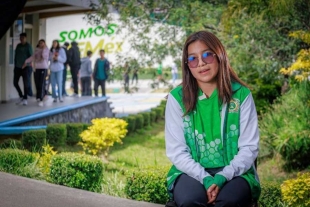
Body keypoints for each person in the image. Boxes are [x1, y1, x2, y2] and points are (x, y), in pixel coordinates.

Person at [165, 31, 261, 207]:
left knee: (228, 202)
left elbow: (249, 147)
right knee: (190, 201)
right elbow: (176, 150)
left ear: (219, 55)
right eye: (193, 59)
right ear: (187, 65)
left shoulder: (241, 95)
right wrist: (205, 178)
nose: (201, 63)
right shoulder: (176, 98)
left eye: (207, 55)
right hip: (189, 172)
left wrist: (222, 176)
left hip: (235, 172)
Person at [23, 39, 49, 107]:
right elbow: (32, 57)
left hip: (44, 68)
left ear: (44, 44)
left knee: (41, 83)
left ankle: (41, 99)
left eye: (42, 43)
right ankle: (38, 97)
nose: (41, 44)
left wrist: (43, 49)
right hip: (37, 68)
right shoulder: (36, 50)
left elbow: (44, 56)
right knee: (37, 83)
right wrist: (26, 61)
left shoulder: (46, 50)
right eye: (40, 43)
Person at [13, 32, 33, 105]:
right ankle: (21, 96)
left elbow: (31, 57)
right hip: (17, 67)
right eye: (20, 38)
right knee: (15, 83)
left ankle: (25, 98)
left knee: (25, 83)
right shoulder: (18, 46)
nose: (21, 39)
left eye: (23, 38)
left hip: (26, 67)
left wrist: (26, 64)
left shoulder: (28, 46)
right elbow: (16, 55)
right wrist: (15, 64)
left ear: (26, 38)